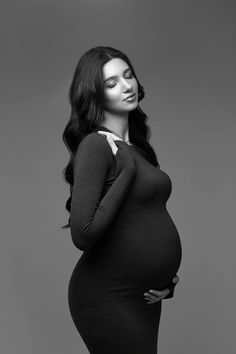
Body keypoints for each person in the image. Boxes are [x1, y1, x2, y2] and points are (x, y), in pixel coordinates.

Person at [62, 46, 182, 354]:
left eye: (128, 75)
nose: (126, 86)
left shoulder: (136, 147)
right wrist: (126, 170)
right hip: (107, 295)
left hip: (143, 296)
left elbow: (141, 218)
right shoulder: (96, 145)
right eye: (112, 83)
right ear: (95, 95)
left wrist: (166, 279)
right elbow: (83, 234)